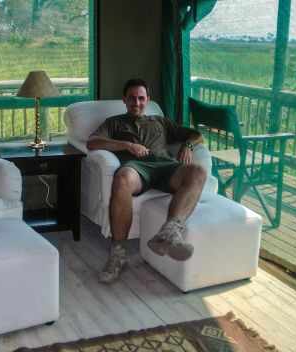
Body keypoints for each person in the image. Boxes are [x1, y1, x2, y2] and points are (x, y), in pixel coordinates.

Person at [87, 78, 207, 284]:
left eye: (141, 98)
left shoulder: (161, 122)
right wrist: (126, 145)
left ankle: (169, 233)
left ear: (148, 100)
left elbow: (196, 134)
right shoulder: (114, 123)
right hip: (137, 168)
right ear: (124, 100)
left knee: (197, 171)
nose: (137, 103)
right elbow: (92, 142)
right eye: (132, 98)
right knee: (122, 179)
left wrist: (188, 145)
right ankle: (118, 255)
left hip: (165, 167)